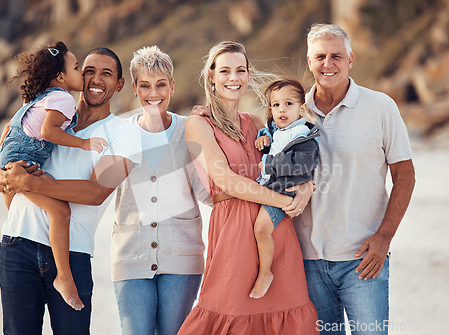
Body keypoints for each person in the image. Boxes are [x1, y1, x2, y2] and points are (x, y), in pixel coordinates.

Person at [0, 47, 141, 335]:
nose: (95, 78)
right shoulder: (49, 115)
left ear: (119, 84)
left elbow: (96, 193)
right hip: (17, 247)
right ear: (74, 76)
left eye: (107, 73)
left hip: (73, 255)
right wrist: (9, 179)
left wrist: (31, 183)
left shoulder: (124, 134)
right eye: (88, 70)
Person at [178, 41, 318, 334]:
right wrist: (283, 200)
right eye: (225, 70)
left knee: (286, 310)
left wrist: (307, 187)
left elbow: (293, 161)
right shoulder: (198, 124)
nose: (234, 77)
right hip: (233, 228)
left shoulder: (257, 122)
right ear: (211, 76)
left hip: (275, 228)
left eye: (240, 70)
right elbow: (226, 179)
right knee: (230, 310)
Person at [293, 24, 416, 334]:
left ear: (350, 59)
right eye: (320, 56)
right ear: (309, 62)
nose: (327, 63)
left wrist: (384, 237)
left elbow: (405, 175)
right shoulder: (293, 112)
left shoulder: (380, 107)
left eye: (336, 55)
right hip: (307, 260)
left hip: (363, 259)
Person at [0, 41, 108, 311]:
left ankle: (14, 203)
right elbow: (48, 132)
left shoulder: (39, 98)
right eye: (78, 67)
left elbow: (11, 126)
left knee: (17, 200)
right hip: (22, 157)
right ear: (60, 76)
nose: (82, 74)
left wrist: (1, 158)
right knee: (61, 213)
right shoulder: (62, 98)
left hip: (10, 154)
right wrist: (83, 143)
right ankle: (64, 277)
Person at [111, 45, 210, 335]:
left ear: (172, 86)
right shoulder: (121, 134)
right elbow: (96, 187)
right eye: (145, 85)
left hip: (183, 256)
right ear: (134, 88)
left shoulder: (190, 130)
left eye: (160, 85)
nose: (153, 93)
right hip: (131, 255)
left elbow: (206, 192)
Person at [250, 78, 320, 299]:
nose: (282, 109)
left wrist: (270, 164)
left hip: (284, 190)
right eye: (276, 104)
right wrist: (263, 138)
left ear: (302, 108)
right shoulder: (277, 130)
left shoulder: (303, 135)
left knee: (261, 229)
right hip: (269, 186)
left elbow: (304, 164)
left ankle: (265, 273)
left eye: (289, 104)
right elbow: (273, 142)